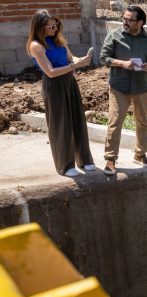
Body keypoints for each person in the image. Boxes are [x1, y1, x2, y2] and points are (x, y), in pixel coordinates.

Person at [26, 11, 96, 177]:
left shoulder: (59, 40)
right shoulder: (36, 45)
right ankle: (65, 165)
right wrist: (74, 67)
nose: (55, 28)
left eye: (56, 25)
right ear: (40, 27)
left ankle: (85, 160)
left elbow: (72, 59)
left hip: (69, 82)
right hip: (54, 85)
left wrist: (83, 60)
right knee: (60, 124)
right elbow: (50, 72)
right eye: (51, 25)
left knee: (78, 119)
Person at [99, 5, 147, 175]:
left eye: (129, 19)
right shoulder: (114, 36)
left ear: (140, 22)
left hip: (141, 86)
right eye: (124, 18)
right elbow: (103, 58)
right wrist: (122, 63)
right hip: (119, 86)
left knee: (142, 122)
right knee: (115, 122)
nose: (125, 22)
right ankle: (110, 159)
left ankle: (140, 154)